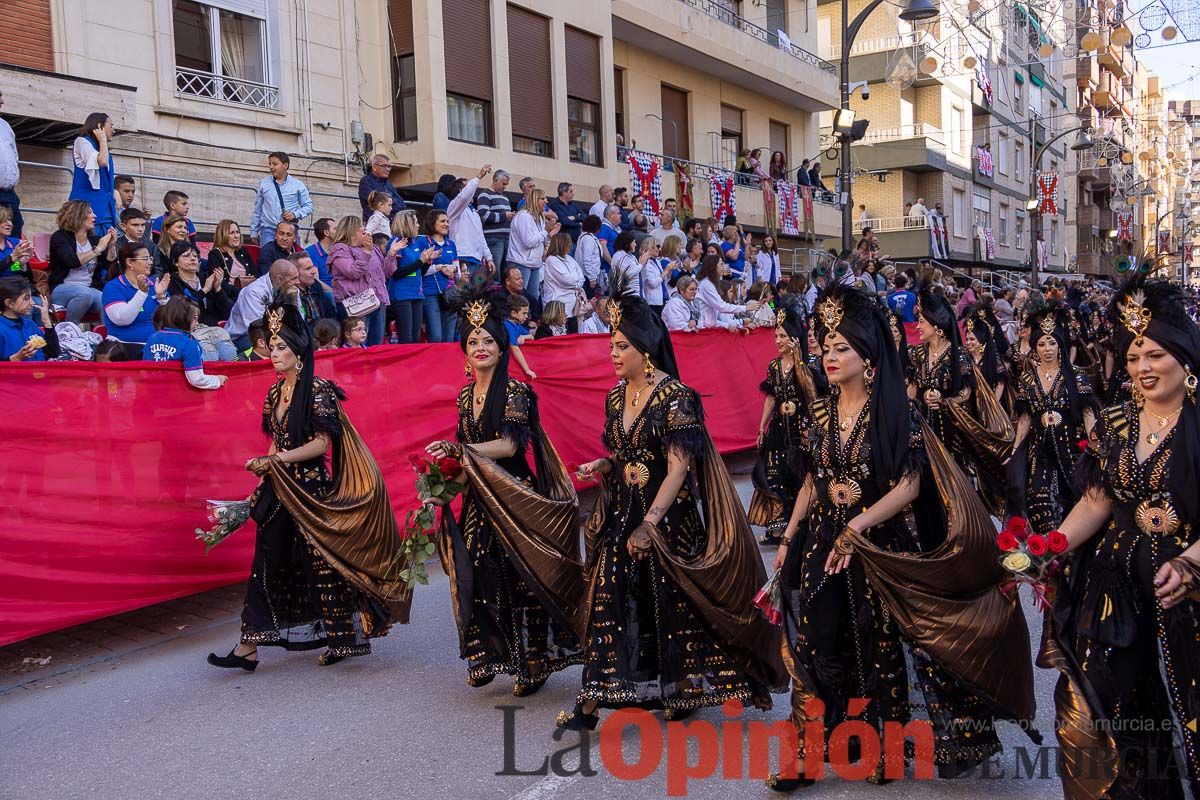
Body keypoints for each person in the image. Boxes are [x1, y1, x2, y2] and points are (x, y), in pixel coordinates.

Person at [766, 284, 1036, 791]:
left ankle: (882, 749)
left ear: (868, 359)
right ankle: (805, 753)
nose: (829, 356)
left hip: (879, 546)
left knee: (880, 648)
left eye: (842, 348)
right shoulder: (819, 412)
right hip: (824, 544)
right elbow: (810, 479)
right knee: (814, 645)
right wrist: (791, 534)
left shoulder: (895, 414)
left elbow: (910, 486)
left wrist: (858, 527)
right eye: (826, 347)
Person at [558, 281, 785, 731]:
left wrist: (651, 524)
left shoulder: (676, 396)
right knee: (611, 600)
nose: (613, 354)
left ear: (645, 347)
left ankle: (683, 688)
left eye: (622, 346)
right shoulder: (615, 397)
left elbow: (679, 466)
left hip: (668, 519)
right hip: (623, 514)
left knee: (674, 605)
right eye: (611, 345)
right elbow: (627, 454)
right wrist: (603, 464)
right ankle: (591, 704)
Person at [1034, 275, 1200, 798]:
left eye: (1153, 355)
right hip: (1113, 586)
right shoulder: (1117, 423)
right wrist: (1049, 545)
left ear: (1183, 353)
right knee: (1113, 711)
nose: (1142, 369)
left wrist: (1192, 562)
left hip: (1186, 589)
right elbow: (1097, 501)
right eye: (1132, 358)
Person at [207, 300, 413, 671]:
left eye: (282, 347)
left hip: (311, 490)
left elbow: (321, 444)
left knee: (324, 564)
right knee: (266, 564)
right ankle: (248, 646)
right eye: (272, 346)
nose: (274, 354)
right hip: (280, 490)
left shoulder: (318, 390)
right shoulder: (274, 394)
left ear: (299, 351)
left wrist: (278, 460)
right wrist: (264, 468)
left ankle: (343, 638)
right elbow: (277, 441)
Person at [424, 291, 583, 695]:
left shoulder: (515, 392)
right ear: (464, 349)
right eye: (473, 341)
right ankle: (487, 654)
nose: (480, 348)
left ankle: (533, 661)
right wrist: (442, 493)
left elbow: (509, 447)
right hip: (479, 499)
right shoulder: (464, 397)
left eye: (488, 341)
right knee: (475, 572)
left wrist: (461, 450)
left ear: (501, 348)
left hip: (514, 496)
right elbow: (466, 461)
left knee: (519, 577)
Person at [912, 287, 1012, 509]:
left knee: (951, 482)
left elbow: (967, 392)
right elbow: (911, 388)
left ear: (937, 327)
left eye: (921, 322)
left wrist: (944, 400)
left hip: (950, 427)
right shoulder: (917, 354)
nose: (917, 326)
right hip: (922, 426)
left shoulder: (958, 354)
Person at [1009, 306, 1097, 537]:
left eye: (1052, 343)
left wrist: (1095, 445)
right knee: (1038, 497)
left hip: (1071, 447)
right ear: (1035, 348)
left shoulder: (1076, 375)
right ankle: (1048, 549)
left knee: (1076, 496)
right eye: (1041, 344)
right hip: (1039, 448)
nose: (1047, 349)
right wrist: (1016, 449)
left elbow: (1088, 413)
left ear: (1060, 345)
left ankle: (1071, 547)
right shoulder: (1027, 379)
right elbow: (1025, 416)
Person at [748, 298, 816, 546]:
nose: (778, 341)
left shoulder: (807, 365)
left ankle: (798, 525)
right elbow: (771, 398)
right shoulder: (774, 366)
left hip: (801, 428)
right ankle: (778, 525)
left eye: (783, 336)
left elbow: (811, 395)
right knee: (774, 473)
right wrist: (761, 427)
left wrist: (799, 361)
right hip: (778, 427)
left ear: (795, 338)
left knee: (798, 475)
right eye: (776, 336)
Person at [328, 215, 399, 347]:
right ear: (352, 232)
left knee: (375, 345)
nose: (367, 234)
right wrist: (366, 252)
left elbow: (386, 273)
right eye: (363, 231)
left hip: (375, 301)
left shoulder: (373, 248)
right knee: (358, 345)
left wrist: (391, 254)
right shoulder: (339, 249)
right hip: (355, 305)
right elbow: (353, 272)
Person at [142, 297, 227, 389]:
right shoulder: (189, 344)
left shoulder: (152, 338)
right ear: (183, 317)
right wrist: (217, 380)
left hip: (154, 391)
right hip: (179, 395)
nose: (197, 323)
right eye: (195, 318)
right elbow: (197, 379)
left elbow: (145, 370)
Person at [49, 200, 111, 323]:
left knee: (107, 300)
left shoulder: (94, 239)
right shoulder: (60, 237)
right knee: (85, 294)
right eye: (89, 212)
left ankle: (107, 337)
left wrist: (112, 246)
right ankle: (70, 330)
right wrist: (98, 249)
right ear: (77, 215)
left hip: (88, 288)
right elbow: (71, 261)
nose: (95, 216)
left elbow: (108, 264)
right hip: (62, 288)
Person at [102, 243, 169, 345]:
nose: (150, 262)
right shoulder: (114, 287)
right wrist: (142, 293)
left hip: (157, 347)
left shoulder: (155, 284)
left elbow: (172, 320)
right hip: (123, 347)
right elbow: (123, 319)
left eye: (150, 258)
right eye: (145, 259)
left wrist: (161, 297)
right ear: (130, 262)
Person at [225, 259, 301, 351]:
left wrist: (292, 302)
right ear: (279, 279)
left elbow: (299, 319)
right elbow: (257, 328)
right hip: (244, 337)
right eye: (293, 279)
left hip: (276, 332)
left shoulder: (291, 289)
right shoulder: (254, 292)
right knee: (283, 348)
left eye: (297, 277)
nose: (298, 282)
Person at [164, 240, 236, 335]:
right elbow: (182, 311)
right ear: (175, 262)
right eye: (186, 256)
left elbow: (226, 312)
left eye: (195, 256)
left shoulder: (206, 278)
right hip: (188, 331)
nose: (193, 259)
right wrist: (204, 291)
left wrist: (218, 289)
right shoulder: (172, 282)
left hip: (214, 330)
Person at [387, 210, 433, 344]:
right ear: (407, 224)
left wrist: (426, 262)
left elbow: (419, 272)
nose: (418, 225)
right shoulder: (396, 243)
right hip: (402, 295)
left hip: (417, 294)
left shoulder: (415, 242)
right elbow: (397, 273)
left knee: (416, 337)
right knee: (406, 338)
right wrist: (420, 261)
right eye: (416, 222)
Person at [69, 113, 118, 235]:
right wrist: (102, 140)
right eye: (111, 125)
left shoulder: (104, 149)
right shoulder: (82, 142)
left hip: (107, 211)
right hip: (87, 210)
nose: (114, 130)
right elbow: (101, 162)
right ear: (99, 126)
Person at [250, 152, 312, 246]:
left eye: (275, 164)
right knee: (268, 258)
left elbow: (309, 206)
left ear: (285, 165)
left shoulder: (298, 185)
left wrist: (294, 214)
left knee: (291, 259)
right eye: (269, 164)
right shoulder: (263, 183)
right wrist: (254, 231)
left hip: (289, 230)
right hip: (268, 229)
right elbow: (258, 209)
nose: (271, 167)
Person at [416, 209, 460, 343]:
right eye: (442, 221)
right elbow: (419, 269)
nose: (446, 224)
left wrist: (452, 270)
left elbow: (457, 271)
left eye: (447, 221)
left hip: (449, 293)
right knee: (435, 336)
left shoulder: (451, 244)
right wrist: (439, 268)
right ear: (432, 223)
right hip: (430, 293)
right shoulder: (422, 242)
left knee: (449, 337)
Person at [509, 188, 559, 299]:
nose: (546, 201)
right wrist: (545, 231)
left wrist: (550, 234)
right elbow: (529, 242)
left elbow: (541, 241)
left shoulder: (540, 217)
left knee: (533, 298)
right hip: (521, 262)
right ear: (535, 200)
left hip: (535, 264)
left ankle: (531, 317)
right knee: (520, 298)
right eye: (543, 198)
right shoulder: (524, 216)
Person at [446, 165, 493, 280]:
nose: (472, 190)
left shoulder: (474, 212)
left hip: (477, 260)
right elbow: (464, 197)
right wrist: (478, 177)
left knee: (477, 294)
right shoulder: (454, 207)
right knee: (463, 293)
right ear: (461, 191)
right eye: (467, 187)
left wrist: (489, 258)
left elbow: (480, 236)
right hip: (462, 257)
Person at [0, 277, 58, 361]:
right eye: (26, 298)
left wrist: (47, 322)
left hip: (37, 373)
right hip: (15, 374)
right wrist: (16, 358)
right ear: (9, 303)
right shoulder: (2, 329)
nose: (32, 303)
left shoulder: (29, 324)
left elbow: (52, 353)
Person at [696, 254, 755, 329]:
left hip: (709, 327)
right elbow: (721, 306)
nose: (723, 267)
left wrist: (731, 326)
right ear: (713, 267)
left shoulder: (710, 283)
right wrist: (745, 308)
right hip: (704, 329)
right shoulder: (706, 284)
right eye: (721, 264)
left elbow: (712, 320)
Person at [540, 232, 585, 316]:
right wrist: (577, 283)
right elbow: (566, 280)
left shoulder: (570, 259)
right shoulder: (551, 260)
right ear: (562, 244)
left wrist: (577, 283)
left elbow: (581, 276)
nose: (570, 245)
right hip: (557, 306)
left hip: (572, 305)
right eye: (568, 243)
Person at [477, 169, 513, 271]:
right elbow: (483, 215)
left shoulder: (505, 197)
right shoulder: (485, 194)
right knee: (494, 271)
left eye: (506, 184)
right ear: (495, 180)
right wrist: (505, 216)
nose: (505, 187)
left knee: (505, 271)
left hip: (506, 238)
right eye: (503, 184)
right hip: (494, 238)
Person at [293, 251, 336, 328]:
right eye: (308, 269)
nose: (313, 272)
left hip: (325, 334)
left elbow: (331, 314)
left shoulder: (315, 285)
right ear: (295, 273)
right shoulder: (291, 296)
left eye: (312, 267)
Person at [357, 153, 405, 222]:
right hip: (375, 225)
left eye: (389, 166)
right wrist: (391, 204)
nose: (388, 169)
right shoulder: (366, 181)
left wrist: (388, 204)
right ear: (374, 167)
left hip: (391, 224)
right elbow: (376, 204)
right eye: (384, 166)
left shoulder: (388, 183)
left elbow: (402, 204)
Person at [0, 91, 21, 238]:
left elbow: (14, 156)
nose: (2, 101)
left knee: (15, 229)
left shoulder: (5, 126)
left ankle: (14, 262)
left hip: (9, 193)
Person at [503, 294, 537, 380]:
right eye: (524, 313)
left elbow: (531, 336)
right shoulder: (507, 326)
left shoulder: (517, 325)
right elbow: (515, 349)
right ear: (513, 313)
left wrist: (523, 337)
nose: (527, 316)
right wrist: (527, 370)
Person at [575, 215, 603, 298]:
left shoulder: (587, 237)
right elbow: (587, 259)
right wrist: (592, 278)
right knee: (587, 300)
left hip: (587, 275)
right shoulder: (588, 239)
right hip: (587, 277)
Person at [304, 217, 336, 285]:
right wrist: (333, 293)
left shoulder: (339, 250)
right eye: (335, 229)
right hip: (325, 293)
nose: (340, 231)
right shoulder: (310, 253)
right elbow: (315, 282)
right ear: (326, 233)